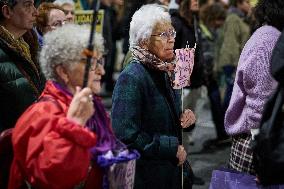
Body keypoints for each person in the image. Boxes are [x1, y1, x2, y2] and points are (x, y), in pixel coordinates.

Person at [8, 24, 107, 189]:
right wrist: (74, 126)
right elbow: (50, 179)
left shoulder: (86, 104)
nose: (101, 71)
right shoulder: (41, 114)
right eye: (92, 63)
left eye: (100, 61)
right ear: (63, 72)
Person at [112, 4, 196, 189]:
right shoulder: (132, 76)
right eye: (163, 35)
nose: (172, 39)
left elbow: (166, 114)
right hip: (148, 176)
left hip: (168, 172)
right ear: (143, 41)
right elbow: (125, 134)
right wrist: (169, 147)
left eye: (171, 33)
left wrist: (185, 116)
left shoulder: (163, 68)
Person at [224, 0, 284, 175]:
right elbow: (260, 100)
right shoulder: (267, 39)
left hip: (263, 137)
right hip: (257, 141)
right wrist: (263, 149)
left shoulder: (272, 36)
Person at [215, 0, 251, 112]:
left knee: (233, 98)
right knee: (230, 99)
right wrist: (237, 66)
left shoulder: (240, 18)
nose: (249, 5)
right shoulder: (233, 18)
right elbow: (231, 45)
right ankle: (227, 126)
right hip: (232, 63)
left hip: (235, 63)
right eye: (246, 2)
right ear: (238, 3)